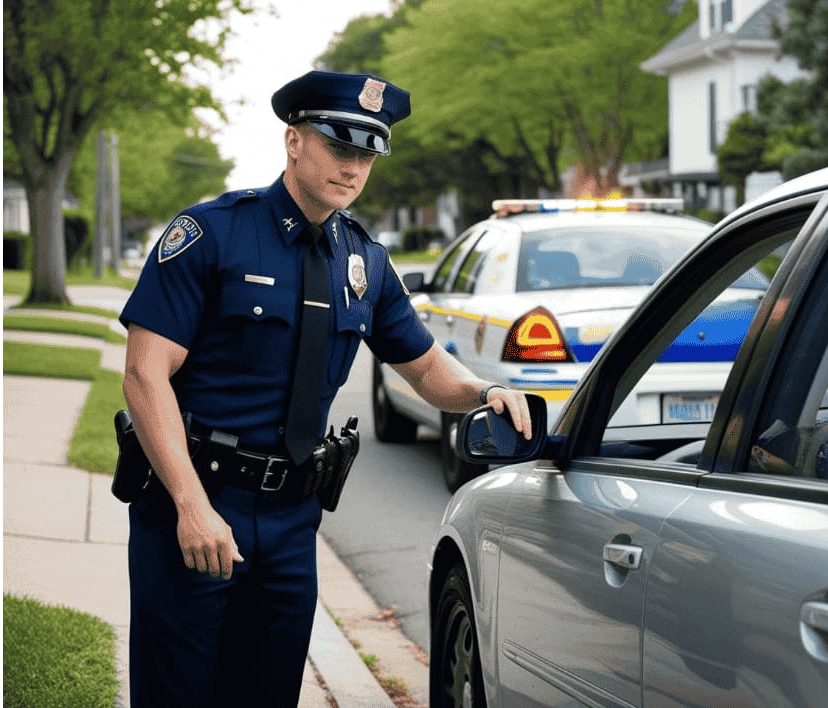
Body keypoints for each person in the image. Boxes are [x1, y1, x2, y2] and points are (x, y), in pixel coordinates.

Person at [119, 69, 531, 707]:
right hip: (196, 504)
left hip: (290, 524)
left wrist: (484, 394)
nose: (354, 166)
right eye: (340, 146)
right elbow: (146, 374)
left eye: (367, 153)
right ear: (293, 141)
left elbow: (424, 368)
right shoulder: (213, 233)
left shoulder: (362, 261)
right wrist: (191, 505)